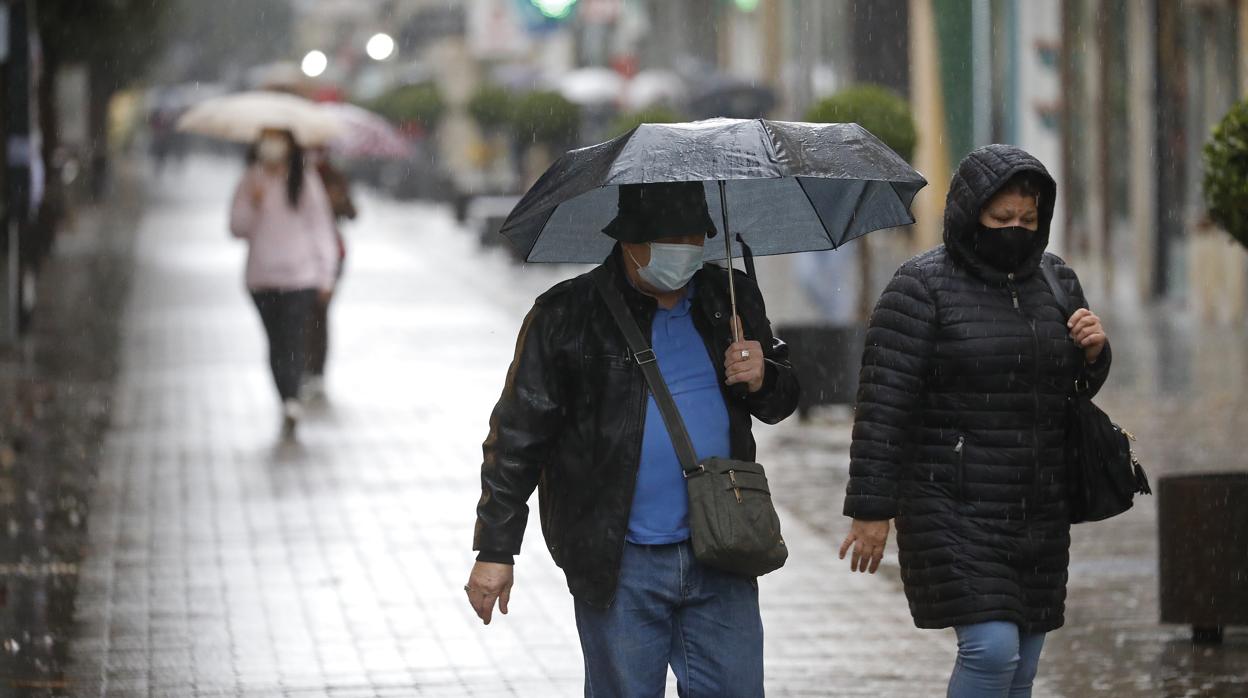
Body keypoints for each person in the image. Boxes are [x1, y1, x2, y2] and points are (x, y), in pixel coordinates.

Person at [466, 181, 800, 697]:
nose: (685, 249)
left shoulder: (726, 298)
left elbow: (780, 403)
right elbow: (516, 437)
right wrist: (495, 549)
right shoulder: (565, 315)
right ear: (629, 241)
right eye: (671, 238)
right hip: (619, 561)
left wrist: (763, 375)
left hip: (722, 546)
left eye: (695, 236)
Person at [839, 144, 1111, 697]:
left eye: (1028, 220)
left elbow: (1071, 394)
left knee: (1025, 664)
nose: (1015, 229)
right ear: (970, 214)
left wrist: (1093, 354)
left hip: (1038, 505)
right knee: (991, 651)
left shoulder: (1056, 281)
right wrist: (872, 510)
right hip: (951, 503)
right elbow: (883, 405)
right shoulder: (921, 288)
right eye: (1001, 218)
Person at [230, 128, 338, 439]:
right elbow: (236, 227)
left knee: (293, 338)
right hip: (261, 279)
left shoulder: (304, 180)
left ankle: (291, 398)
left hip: (299, 278)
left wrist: (325, 274)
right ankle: (286, 397)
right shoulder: (251, 179)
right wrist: (254, 201)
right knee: (276, 341)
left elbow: (321, 228)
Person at [303, 148, 357, 399]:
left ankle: (316, 369)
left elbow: (353, 213)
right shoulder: (295, 175)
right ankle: (302, 365)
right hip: (300, 254)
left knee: (319, 313)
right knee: (302, 313)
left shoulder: (335, 176)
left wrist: (337, 201)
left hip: (332, 253)